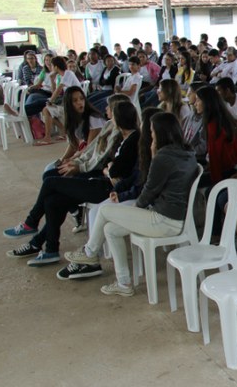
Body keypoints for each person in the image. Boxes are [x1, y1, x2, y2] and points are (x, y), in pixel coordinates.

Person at [63, 112, 197, 296]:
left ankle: (90, 252)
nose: (150, 135)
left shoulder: (163, 157)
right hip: (173, 217)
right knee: (110, 229)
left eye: (152, 132)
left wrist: (134, 209)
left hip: (163, 220)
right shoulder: (187, 152)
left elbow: (148, 192)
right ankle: (124, 283)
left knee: (105, 210)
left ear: (160, 133)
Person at [5, 100, 139, 264]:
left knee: (50, 183)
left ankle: (30, 223)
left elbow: (115, 171)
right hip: (103, 180)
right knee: (53, 200)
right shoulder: (124, 137)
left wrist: (105, 168)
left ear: (118, 120)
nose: (107, 114)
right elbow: (104, 162)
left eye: (111, 113)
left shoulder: (132, 140)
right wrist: (104, 167)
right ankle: (49, 249)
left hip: (107, 188)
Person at [194, 85, 237, 185]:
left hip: (223, 172)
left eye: (198, 100)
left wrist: (216, 181)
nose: (195, 104)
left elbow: (215, 155)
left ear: (207, 102)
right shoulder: (220, 118)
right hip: (223, 166)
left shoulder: (214, 125)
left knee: (188, 180)